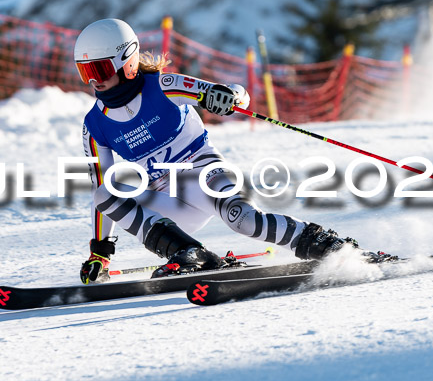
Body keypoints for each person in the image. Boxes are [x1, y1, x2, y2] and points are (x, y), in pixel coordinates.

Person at [75, 18, 357, 285]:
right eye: (86, 72)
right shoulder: (94, 125)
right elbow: (102, 189)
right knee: (103, 192)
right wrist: (100, 252)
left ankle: (325, 244)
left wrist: (229, 97)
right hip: (169, 202)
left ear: (127, 61)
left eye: (99, 70)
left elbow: (232, 92)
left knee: (245, 221)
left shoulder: (163, 86)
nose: (94, 81)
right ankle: (188, 252)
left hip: (205, 174)